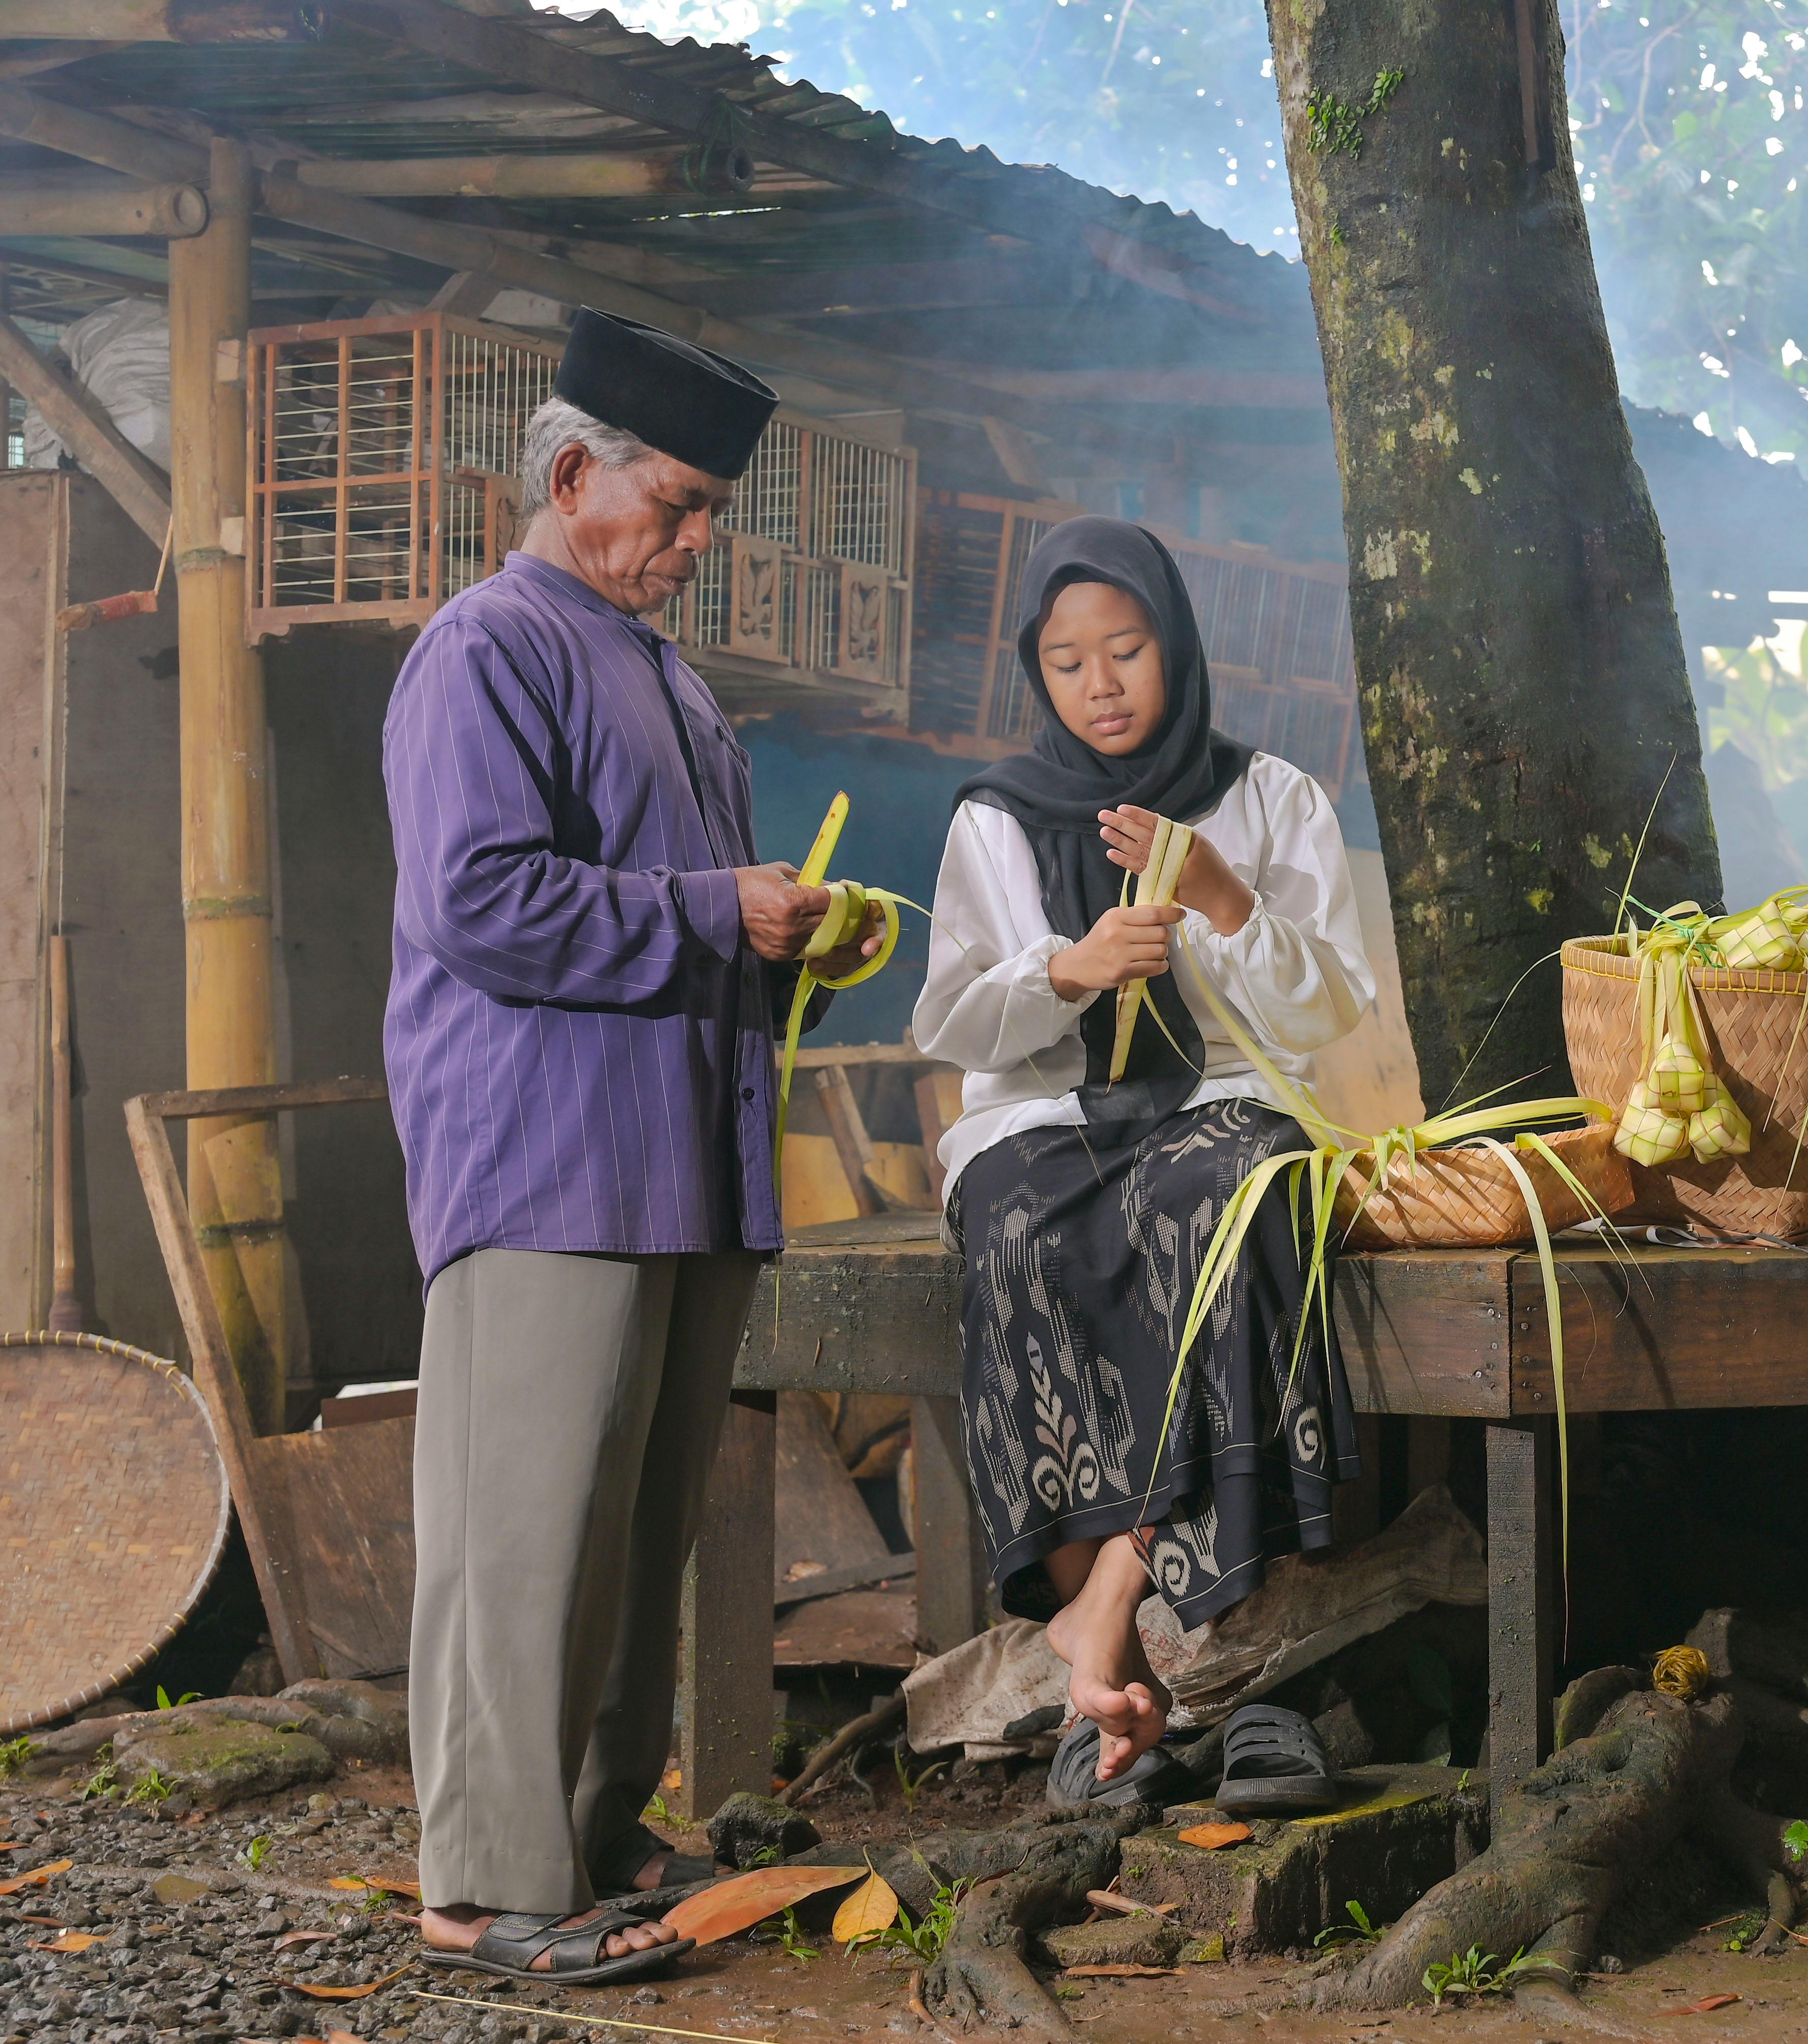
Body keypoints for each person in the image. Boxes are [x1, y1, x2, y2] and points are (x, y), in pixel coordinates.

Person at [384, 309, 877, 1984]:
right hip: (544, 1159)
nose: (690, 542)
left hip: (675, 1155)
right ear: (572, 470)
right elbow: (475, 901)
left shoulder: (659, 670)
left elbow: (689, 919)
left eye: (706, 517)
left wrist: (783, 931)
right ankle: (483, 1882)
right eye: (671, 505)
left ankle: (587, 1836)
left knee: (630, 1522)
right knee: (521, 1526)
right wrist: (712, 909)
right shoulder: (486, 645)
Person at [915, 517, 1374, 1809]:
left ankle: (1118, 1634)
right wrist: (1065, 969)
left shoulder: (1270, 796)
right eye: (1068, 661)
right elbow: (949, 1015)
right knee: (1017, 1228)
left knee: (1233, 1198)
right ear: (1038, 673)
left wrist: (1228, 902)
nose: (1101, 683)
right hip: (1048, 1112)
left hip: (1222, 1097)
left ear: (1175, 647)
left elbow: (1327, 1007)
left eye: (1126, 650)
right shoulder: (997, 817)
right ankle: (1187, 1681)